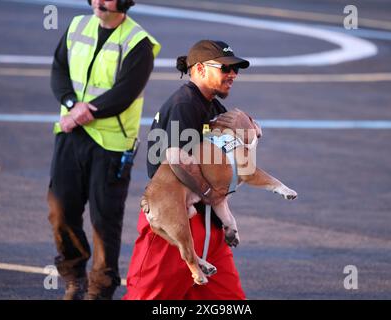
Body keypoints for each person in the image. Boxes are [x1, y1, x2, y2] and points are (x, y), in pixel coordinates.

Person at [124, 40, 257, 300]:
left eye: (235, 70)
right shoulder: (184, 105)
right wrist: (213, 192)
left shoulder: (214, 107)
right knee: (149, 298)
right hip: (176, 224)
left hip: (210, 228)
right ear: (198, 69)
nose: (232, 75)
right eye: (225, 68)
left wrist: (251, 136)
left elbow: (233, 166)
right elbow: (178, 161)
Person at [47, 0, 160, 300]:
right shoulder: (77, 26)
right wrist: (72, 105)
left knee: (104, 221)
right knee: (60, 211)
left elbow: (125, 92)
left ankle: (100, 288)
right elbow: (59, 70)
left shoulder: (139, 43)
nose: (99, 1)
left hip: (111, 144)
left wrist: (85, 112)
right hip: (72, 135)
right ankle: (74, 276)